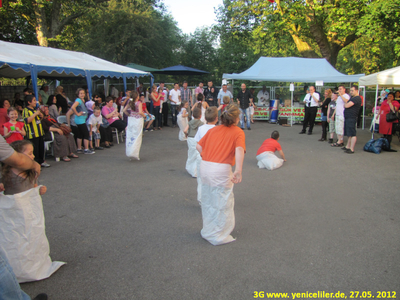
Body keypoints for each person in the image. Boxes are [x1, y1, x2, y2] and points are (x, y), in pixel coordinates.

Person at [0, 135, 47, 300]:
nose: (33, 157)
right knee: (13, 240)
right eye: (30, 153)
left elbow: (34, 187)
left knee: (31, 235)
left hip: (27, 212)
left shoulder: (30, 172)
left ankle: (32, 263)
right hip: (13, 214)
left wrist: (38, 189)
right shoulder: (6, 173)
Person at [196, 104, 245, 245]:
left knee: (208, 200)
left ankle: (209, 229)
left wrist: (205, 155)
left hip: (205, 167)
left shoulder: (213, 130)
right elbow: (240, 149)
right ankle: (219, 233)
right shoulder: (238, 132)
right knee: (223, 202)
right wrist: (238, 170)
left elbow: (198, 146)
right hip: (221, 170)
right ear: (236, 119)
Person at [194, 106, 219, 206]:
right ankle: (213, 199)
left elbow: (197, 143)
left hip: (201, 157)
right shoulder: (218, 130)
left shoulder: (201, 128)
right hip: (214, 158)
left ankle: (201, 199)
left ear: (204, 118)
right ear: (217, 118)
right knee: (214, 180)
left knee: (201, 179)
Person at [22, 95, 50, 167]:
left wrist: (41, 116)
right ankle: (35, 164)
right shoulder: (26, 110)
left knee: (41, 148)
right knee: (35, 150)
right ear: (29, 102)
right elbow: (27, 120)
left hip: (40, 132)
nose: (35, 102)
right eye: (34, 100)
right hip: (32, 133)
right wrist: (35, 114)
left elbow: (38, 120)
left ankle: (41, 161)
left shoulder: (35, 110)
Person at [71, 88, 94, 154]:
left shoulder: (81, 100)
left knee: (80, 134)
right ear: (78, 94)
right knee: (86, 134)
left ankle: (79, 148)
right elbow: (73, 107)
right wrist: (77, 113)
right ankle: (86, 149)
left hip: (81, 119)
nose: (82, 94)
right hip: (80, 120)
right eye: (81, 93)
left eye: (83, 93)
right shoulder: (78, 100)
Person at [184, 106, 203, 177]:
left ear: (192, 115)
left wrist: (186, 134)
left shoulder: (190, 122)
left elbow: (185, 130)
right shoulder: (201, 123)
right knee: (197, 154)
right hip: (197, 139)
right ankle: (195, 171)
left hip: (190, 138)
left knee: (191, 153)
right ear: (200, 116)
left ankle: (190, 168)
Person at [342, 85, 362, 154]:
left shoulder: (357, 98)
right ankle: (348, 146)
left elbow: (347, 105)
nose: (351, 92)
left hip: (352, 117)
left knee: (352, 133)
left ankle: (352, 148)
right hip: (348, 117)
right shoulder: (352, 98)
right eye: (350, 90)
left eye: (352, 90)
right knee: (349, 133)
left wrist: (345, 104)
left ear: (357, 90)